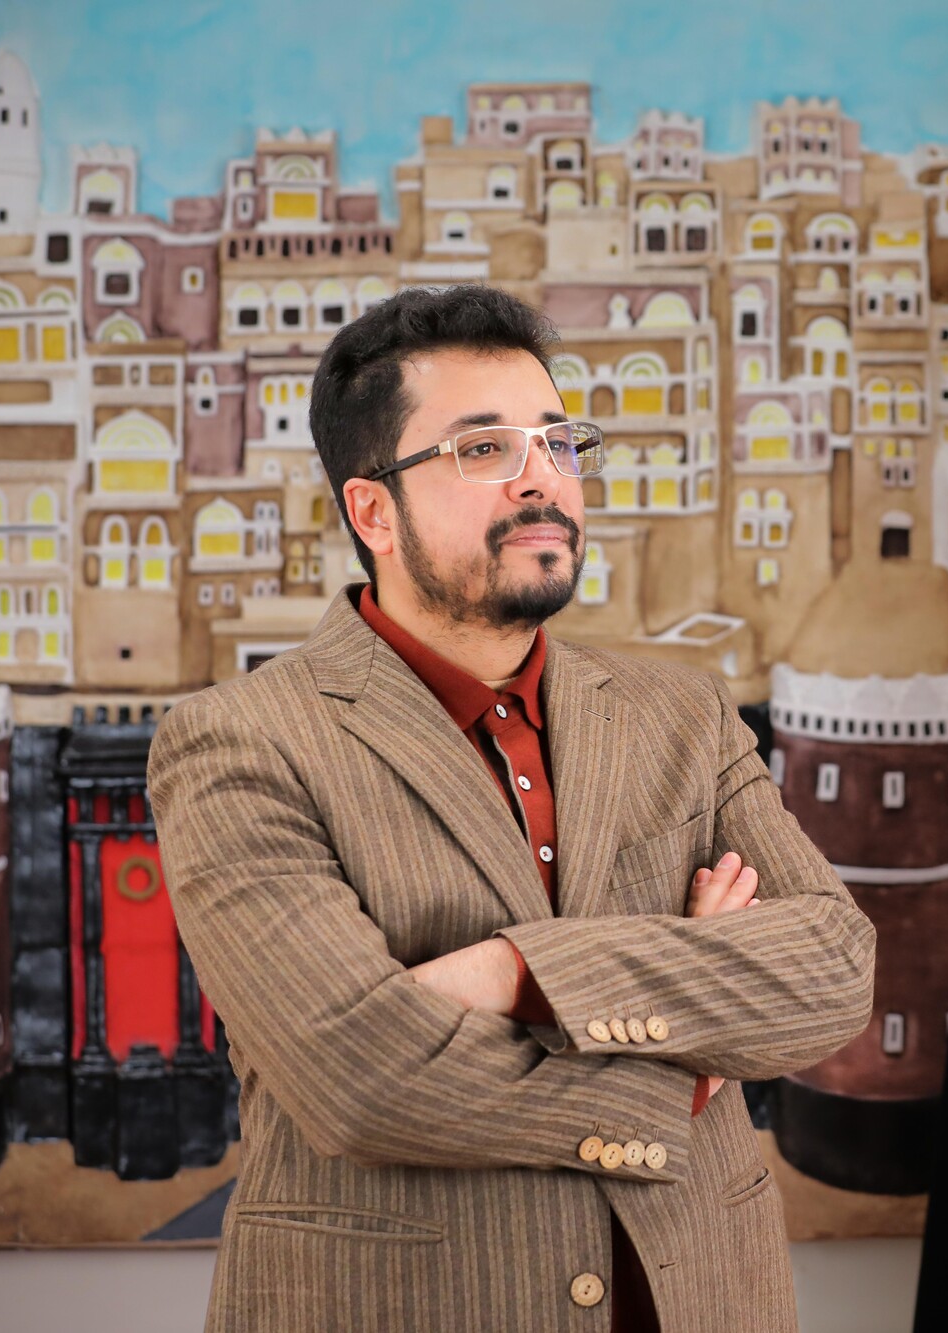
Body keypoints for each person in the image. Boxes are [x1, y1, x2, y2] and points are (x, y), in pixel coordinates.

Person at [147, 284, 875, 1333]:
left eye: (557, 441)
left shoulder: (682, 713)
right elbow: (356, 1073)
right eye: (484, 448)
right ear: (373, 511)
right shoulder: (240, 741)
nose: (543, 478)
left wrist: (511, 973)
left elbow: (832, 968)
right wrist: (683, 1061)